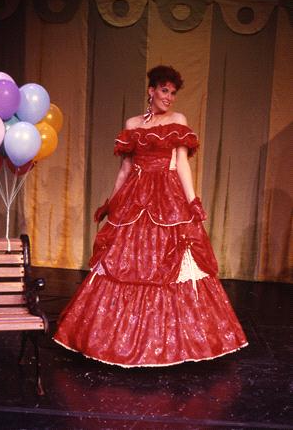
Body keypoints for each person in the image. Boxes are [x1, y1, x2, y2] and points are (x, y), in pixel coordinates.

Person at [54, 65, 248, 366]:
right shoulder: (132, 123)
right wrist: (112, 201)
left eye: (173, 92)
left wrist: (192, 201)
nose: (169, 97)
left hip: (167, 196)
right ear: (151, 90)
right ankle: (110, 339)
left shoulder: (177, 120)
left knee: (174, 262)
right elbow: (125, 169)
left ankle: (181, 344)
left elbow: (182, 164)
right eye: (164, 90)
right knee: (123, 262)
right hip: (136, 195)